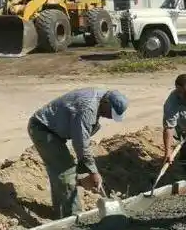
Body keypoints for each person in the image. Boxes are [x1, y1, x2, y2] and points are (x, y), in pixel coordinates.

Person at [27, 88, 129, 219]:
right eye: (111, 113)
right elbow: (81, 143)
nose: (110, 117)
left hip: (53, 131)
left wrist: (86, 170)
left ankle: (62, 212)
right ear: (106, 103)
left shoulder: (100, 99)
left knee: (65, 172)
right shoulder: (88, 108)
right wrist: (94, 172)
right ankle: (72, 217)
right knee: (65, 172)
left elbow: (82, 138)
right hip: (42, 129)